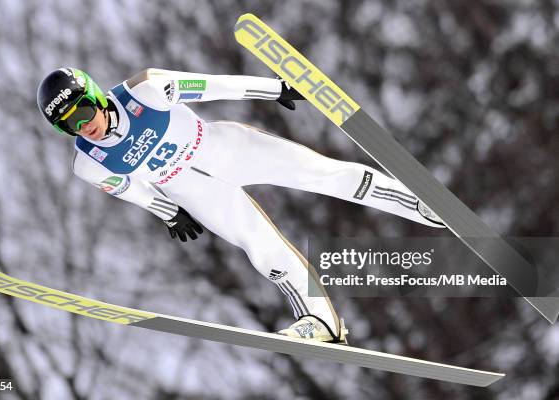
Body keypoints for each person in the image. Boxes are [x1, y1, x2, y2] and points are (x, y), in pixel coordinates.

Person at [37, 67, 444, 343]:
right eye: (70, 124)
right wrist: (169, 213)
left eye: (84, 111)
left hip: (225, 148)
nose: (83, 125)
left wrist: (275, 88)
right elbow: (127, 189)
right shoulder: (88, 163)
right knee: (262, 250)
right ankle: (321, 321)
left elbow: (213, 86)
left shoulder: (146, 90)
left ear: (94, 96)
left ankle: (420, 203)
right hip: (193, 193)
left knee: (322, 173)